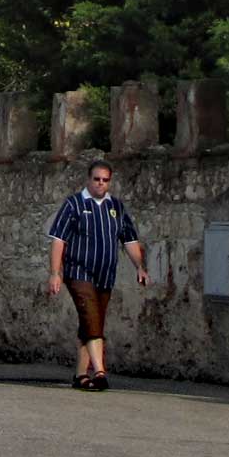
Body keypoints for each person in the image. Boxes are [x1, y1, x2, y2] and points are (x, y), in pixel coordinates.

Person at [46, 158, 148, 391]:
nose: (100, 184)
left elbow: (129, 240)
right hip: (78, 272)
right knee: (90, 316)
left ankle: (81, 375)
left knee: (92, 321)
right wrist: (55, 272)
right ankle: (100, 371)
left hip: (105, 274)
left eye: (105, 180)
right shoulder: (74, 204)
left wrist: (139, 266)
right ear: (88, 180)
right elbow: (58, 240)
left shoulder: (117, 208)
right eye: (96, 179)